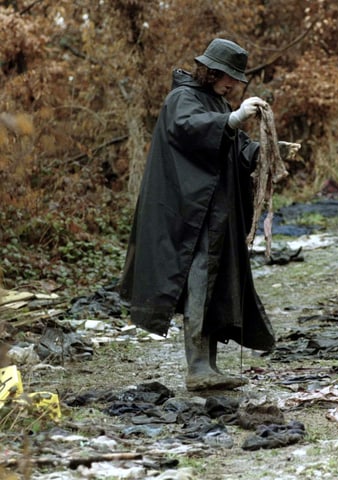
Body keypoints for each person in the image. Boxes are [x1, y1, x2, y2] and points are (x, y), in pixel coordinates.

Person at [120, 38, 276, 391]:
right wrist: (233, 119)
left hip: (216, 214)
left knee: (218, 285)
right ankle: (197, 367)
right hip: (190, 215)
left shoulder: (216, 102)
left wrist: (267, 152)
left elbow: (233, 152)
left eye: (236, 81)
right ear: (208, 71)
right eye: (226, 77)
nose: (233, 85)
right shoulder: (183, 98)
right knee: (199, 283)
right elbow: (190, 129)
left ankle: (210, 368)